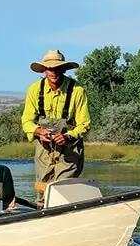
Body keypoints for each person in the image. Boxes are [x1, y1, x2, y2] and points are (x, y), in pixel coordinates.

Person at [21, 49, 90, 205]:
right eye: (50, 68)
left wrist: (67, 136)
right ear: (44, 70)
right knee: (42, 191)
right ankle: (42, 214)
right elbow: (26, 121)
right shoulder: (34, 90)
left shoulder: (77, 91)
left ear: (64, 69)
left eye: (57, 68)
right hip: (43, 149)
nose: (53, 72)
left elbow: (84, 124)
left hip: (70, 149)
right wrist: (38, 131)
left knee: (64, 191)